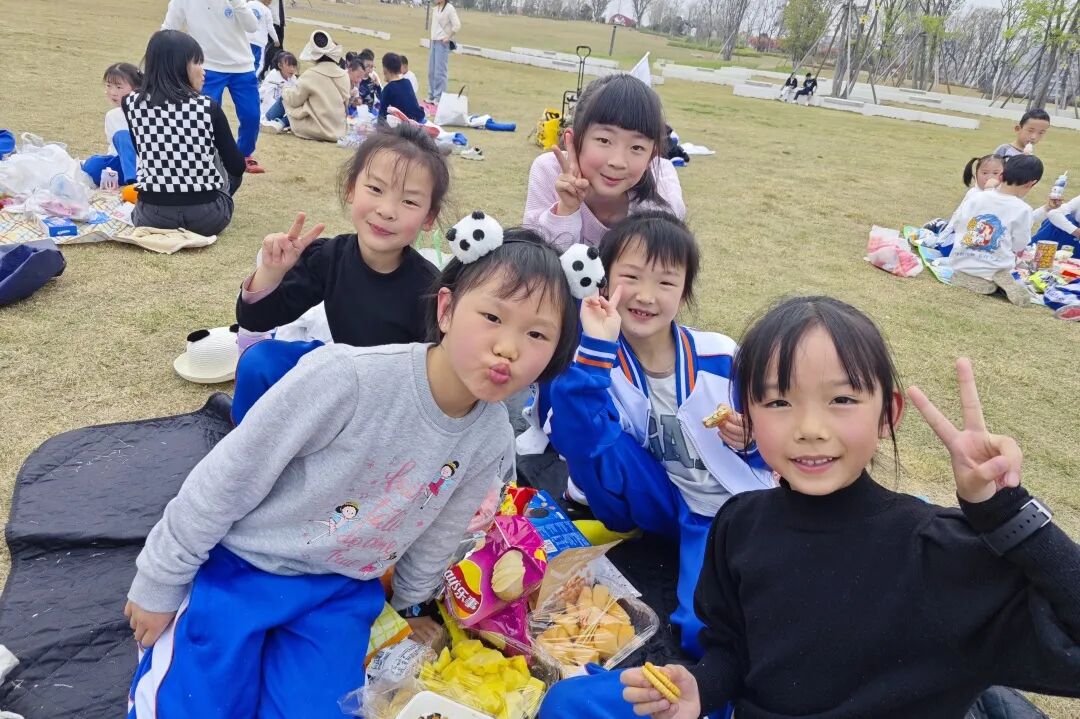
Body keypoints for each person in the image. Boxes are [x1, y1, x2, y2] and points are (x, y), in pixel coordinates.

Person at [124, 227, 582, 718]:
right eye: (493, 317)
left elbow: (443, 529)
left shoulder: (491, 435)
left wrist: (408, 606)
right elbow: (227, 478)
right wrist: (159, 581)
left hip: (341, 593)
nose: (509, 348)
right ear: (446, 309)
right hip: (244, 566)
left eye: (537, 334)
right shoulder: (348, 379)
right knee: (194, 706)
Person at [613, 296, 1080, 719]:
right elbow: (733, 650)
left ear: (887, 414)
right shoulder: (739, 525)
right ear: (747, 415)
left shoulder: (937, 554)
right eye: (778, 401)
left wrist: (1004, 511)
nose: (810, 428)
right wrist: (703, 687)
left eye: (842, 399)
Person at [541, 212, 772, 659]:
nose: (646, 296)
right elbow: (573, 435)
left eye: (666, 282)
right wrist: (595, 347)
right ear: (605, 281)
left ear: (683, 293)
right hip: (661, 503)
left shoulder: (723, 357)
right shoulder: (595, 358)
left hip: (734, 509)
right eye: (631, 277)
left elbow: (784, 434)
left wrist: (753, 442)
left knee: (703, 628)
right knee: (603, 439)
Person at [232, 125, 448, 422]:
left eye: (409, 201)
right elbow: (256, 320)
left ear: (429, 217)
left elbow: (437, 381)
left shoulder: (431, 291)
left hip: (389, 405)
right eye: (376, 189)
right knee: (259, 362)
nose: (387, 210)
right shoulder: (329, 256)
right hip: (341, 374)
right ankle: (247, 445)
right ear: (351, 189)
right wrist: (270, 273)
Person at [523, 74, 686, 251]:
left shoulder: (663, 201)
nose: (618, 162)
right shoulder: (549, 171)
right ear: (574, 141)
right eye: (604, 140)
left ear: (652, 156)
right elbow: (537, 261)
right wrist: (566, 210)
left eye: (637, 147)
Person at [122, 31, 245, 237]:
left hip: (152, 216)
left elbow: (141, 150)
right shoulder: (207, 107)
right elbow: (237, 166)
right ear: (178, 66)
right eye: (197, 63)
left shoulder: (131, 103)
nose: (204, 71)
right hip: (208, 218)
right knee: (213, 150)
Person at [162, 0, 266, 173]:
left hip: (242, 66)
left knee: (251, 116)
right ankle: (208, 158)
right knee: (204, 117)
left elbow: (252, 26)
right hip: (207, 66)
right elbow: (168, 28)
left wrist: (236, 3)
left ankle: (244, 156)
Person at [948, 154, 1043, 305]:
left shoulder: (977, 197)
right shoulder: (1023, 209)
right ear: (1031, 183)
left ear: (1001, 176)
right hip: (996, 265)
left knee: (973, 265)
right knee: (1004, 260)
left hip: (961, 259)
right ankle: (996, 277)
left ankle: (970, 276)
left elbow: (959, 223)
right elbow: (1020, 244)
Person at [280, 31, 351, 142]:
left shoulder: (311, 74)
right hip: (338, 129)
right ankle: (275, 121)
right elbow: (346, 102)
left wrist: (285, 89)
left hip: (316, 128)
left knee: (286, 96)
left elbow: (294, 100)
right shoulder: (344, 75)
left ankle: (271, 120)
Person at [81, 62, 142, 187]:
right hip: (122, 165)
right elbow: (114, 150)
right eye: (109, 86)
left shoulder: (146, 111)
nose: (113, 92)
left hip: (146, 164)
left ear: (136, 88)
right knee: (92, 165)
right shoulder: (112, 116)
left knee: (123, 135)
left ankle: (133, 181)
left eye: (119, 87)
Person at [427, 0, 460, 102]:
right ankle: (431, 94)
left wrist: (448, 37)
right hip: (434, 41)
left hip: (442, 43)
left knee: (440, 71)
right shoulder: (435, 8)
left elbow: (457, 25)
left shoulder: (449, 8)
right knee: (431, 71)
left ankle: (439, 97)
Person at [379, 52, 425, 123]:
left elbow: (381, 116)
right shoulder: (407, 82)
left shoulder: (388, 89)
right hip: (419, 117)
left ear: (385, 70)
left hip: (406, 124)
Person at [259, 51, 297, 130]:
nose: (292, 69)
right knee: (286, 96)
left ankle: (280, 123)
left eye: (294, 66)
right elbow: (267, 100)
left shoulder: (293, 78)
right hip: (269, 112)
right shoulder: (273, 76)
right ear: (280, 65)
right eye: (289, 66)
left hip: (285, 112)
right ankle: (277, 122)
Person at [245, 0, 277, 76]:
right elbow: (270, 28)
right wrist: (276, 40)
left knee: (245, 61)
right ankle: (252, 79)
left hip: (245, 39)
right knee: (258, 64)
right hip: (258, 42)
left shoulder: (248, 4)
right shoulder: (266, 10)